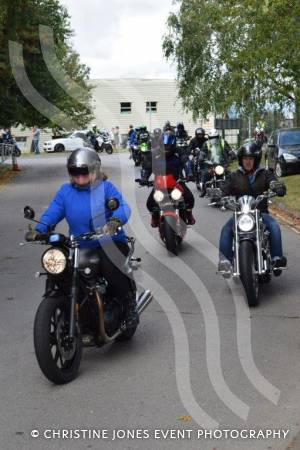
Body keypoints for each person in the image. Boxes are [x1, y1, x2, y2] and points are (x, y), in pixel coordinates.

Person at [31, 147, 139, 328]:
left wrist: (114, 221)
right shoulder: (65, 191)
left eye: (84, 171)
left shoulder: (105, 188)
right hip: (79, 245)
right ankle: (66, 307)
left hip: (108, 241)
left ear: (95, 170)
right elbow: (53, 211)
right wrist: (40, 228)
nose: (80, 175)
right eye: (75, 171)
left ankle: (128, 306)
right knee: (60, 270)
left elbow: (123, 208)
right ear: (70, 172)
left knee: (110, 265)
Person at [218, 142, 287, 275]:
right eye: (245, 158)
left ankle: (276, 259)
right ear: (241, 160)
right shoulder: (234, 176)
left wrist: (276, 186)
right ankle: (225, 262)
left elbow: (272, 181)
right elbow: (224, 188)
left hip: (260, 213)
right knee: (226, 230)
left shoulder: (264, 173)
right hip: (241, 215)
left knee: (274, 226)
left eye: (250, 159)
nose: (248, 161)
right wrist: (220, 193)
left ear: (255, 160)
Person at [146, 130, 196, 227]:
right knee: (150, 203)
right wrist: (144, 178)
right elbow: (147, 166)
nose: (166, 148)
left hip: (177, 182)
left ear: (173, 145)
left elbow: (186, 162)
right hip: (159, 183)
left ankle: (189, 214)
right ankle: (155, 216)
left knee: (189, 198)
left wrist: (189, 173)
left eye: (168, 146)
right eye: (164, 145)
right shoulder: (155, 153)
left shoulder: (178, 152)